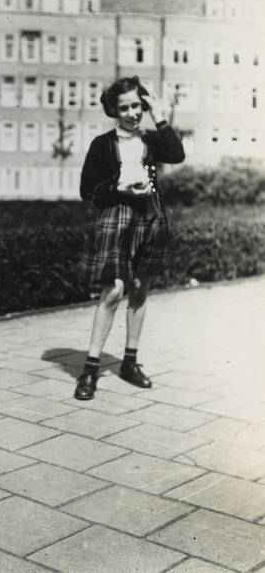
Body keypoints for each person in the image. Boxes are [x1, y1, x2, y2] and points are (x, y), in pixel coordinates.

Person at [75, 76, 185, 400]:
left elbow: (177, 154)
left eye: (137, 105)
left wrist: (159, 113)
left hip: (151, 215)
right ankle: (90, 369)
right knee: (113, 291)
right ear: (114, 110)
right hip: (117, 217)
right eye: (124, 108)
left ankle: (130, 363)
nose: (132, 113)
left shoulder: (151, 139)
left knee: (140, 289)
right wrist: (117, 189)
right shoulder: (102, 144)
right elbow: (87, 190)